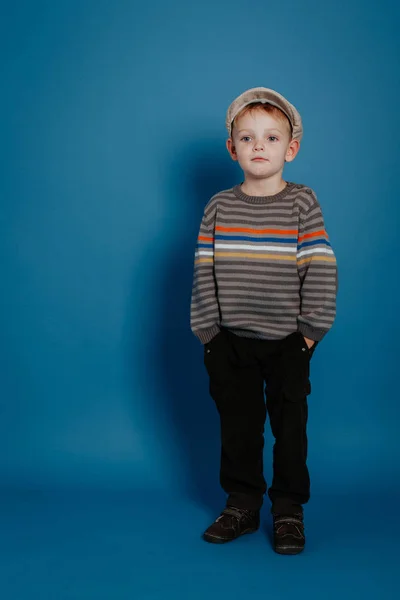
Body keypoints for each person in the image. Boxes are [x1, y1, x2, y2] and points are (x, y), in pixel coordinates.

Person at [189, 87, 338, 555]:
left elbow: (320, 267)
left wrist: (310, 334)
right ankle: (243, 503)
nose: (259, 146)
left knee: (289, 428)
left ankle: (289, 509)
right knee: (239, 427)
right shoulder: (218, 206)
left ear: (290, 149)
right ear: (232, 149)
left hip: (287, 342)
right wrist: (208, 335)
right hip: (230, 341)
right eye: (248, 137)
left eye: (272, 138)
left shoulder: (302, 204)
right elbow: (203, 271)